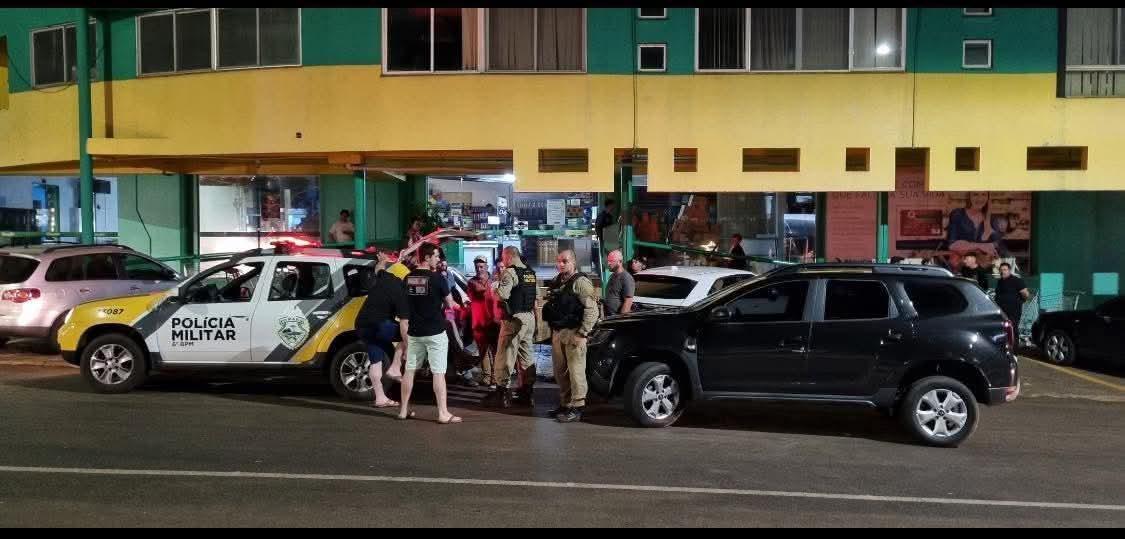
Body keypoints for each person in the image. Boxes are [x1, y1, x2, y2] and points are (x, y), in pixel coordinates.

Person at [399, 243, 462, 424]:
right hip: (435, 331)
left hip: (415, 331)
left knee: (409, 370)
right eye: (435, 256)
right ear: (426, 258)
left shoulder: (408, 278)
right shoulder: (437, 279)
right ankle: (442, 413)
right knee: (438, 373)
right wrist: (458, 305)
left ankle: (403, 410)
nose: (438, 259)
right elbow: (450, 304)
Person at [543, 249, 600, 423]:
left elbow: (592, 310)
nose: (561, 264)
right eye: (559, 261)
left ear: (573, 262)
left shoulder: (581, 282)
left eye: (565, 261)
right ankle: (566, 403)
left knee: (576, 372)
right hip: (559, 332)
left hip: (574, 333)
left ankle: (577, 406)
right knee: (560, 372)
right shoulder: (557, 280)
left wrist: (582, 333)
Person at [355, 250, 409, 408]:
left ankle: (380, 398)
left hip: (362, 325)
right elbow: (405, 325)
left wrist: (383, 260)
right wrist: (406, 349)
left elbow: (379, 268)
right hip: (380, 325)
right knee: (410, 333)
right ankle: (394, 368)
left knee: (375, 360)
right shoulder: (403, 294)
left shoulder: (386, 277)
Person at [491, 246, 539, 408]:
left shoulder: (510, 273)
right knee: (526, 356)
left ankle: (502, 394)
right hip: (529, 317)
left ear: (509, 257)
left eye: (504, 258)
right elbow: (536, 298)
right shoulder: (530, 273)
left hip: (514, 319)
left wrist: (494, 289)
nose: (503, 261)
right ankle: (527, 394)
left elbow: (502, 295)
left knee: (505, 355)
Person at [467, 256, 500, 389]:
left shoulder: (495, 280)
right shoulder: (472, 282)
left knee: (495, 351)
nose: (479, 269)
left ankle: (495, 378)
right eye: (477, 266)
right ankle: (487, 377)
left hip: (493, 321)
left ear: (487, 266)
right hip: (479, 322)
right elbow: (469, 300)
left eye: (481, 266)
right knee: (483, 352)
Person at [947, 192, 1006, 259]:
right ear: (969, 196)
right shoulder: (958, 214)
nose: (980, 199)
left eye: (984, 194)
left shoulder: (992, 219)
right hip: (961, 263)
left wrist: (965, 244)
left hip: (982, 266)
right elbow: (952, 245)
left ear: (988, 197)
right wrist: (981, 246)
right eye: (975, 194)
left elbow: (996, 246)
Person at [995, 262, 1030, 329]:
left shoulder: (1016, 280)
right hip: (1001, 311)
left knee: (1012, 329)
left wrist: (1020, 301)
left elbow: (1026, 294)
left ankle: (1015, 339)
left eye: (1005, 270)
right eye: (1001, 270)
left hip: (1013, 312)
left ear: (1009, 270)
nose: (1003, 272)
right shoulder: (1000, 282)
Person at [603, 249, 635, 317]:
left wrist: (620, 320)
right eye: (608, 261)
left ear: (619, 262)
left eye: (611, 261)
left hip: (616, 318)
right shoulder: (612, 276)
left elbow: (628, 301)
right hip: (608, 317)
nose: (608, 263)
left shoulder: (626, 277)